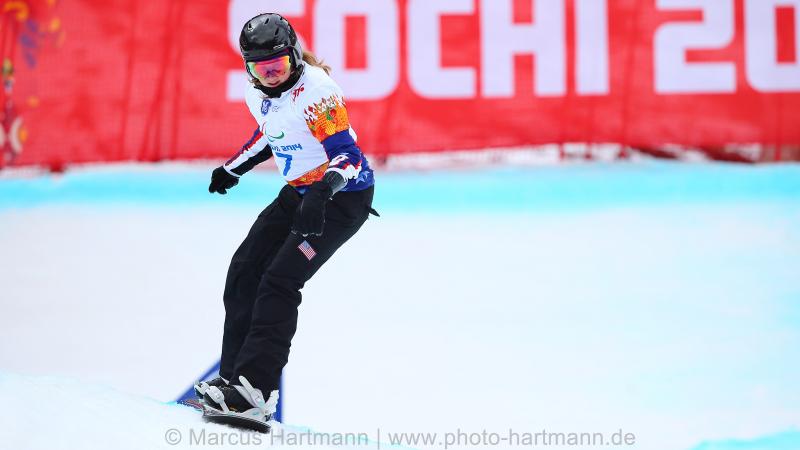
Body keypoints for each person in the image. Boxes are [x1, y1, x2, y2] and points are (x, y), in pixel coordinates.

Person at [195, 13, 376, 425]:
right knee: (244, 271)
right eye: (261, 67)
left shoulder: (318, 93)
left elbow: (349, 155)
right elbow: (272, 132)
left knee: (279, 279)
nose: (272, 74)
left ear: (295, 56)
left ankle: (256, 392)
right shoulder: (255, 91)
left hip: (340, 199)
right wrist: (234, 167)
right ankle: (233, 382)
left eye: (279, 64)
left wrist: (324, 193)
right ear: (248, 68)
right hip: (298, 194)